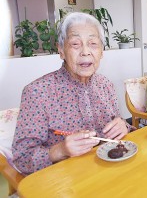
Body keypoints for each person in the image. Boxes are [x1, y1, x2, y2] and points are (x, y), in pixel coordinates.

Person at [12, 12, 135, 176]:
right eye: (75, 44)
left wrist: (123, 126)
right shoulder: (38, 92)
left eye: (93, 43)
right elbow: (22, 158)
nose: (85, 51)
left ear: (102, 51)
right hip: (64, 181)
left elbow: (120, 131)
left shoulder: (106, 85)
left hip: (108, 172)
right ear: (61, 50)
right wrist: (60, 150)